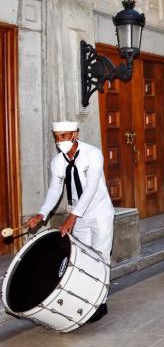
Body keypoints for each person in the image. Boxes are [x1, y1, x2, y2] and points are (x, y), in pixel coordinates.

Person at [26, 121, 114, 323]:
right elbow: (54, 190)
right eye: (57, 137)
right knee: (83, 258)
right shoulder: (58, 161)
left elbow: (91, 189)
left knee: (101, 256)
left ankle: (100, 302)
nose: (60, 141)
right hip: (78, 214)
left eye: (64, 136)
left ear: (75, 134)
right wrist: (42, 214)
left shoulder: (93, 154)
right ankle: (86, 299)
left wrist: (72, 217)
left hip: (99, 212)